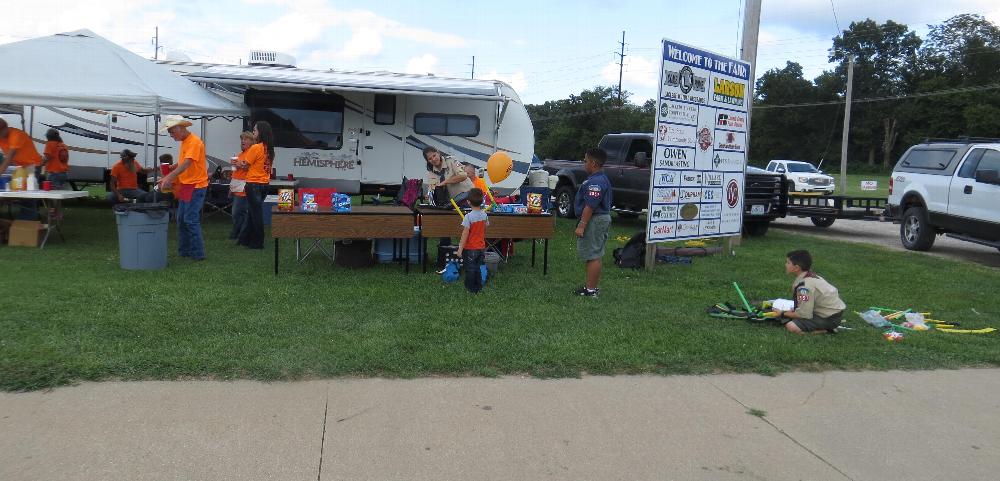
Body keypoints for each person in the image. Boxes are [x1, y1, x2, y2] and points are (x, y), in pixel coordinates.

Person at [157, 115, 209, 261]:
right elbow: (183, 163)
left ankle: (198, 254)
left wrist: (169, 177)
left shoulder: (194, 142)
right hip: (188, 185)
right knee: (181, 219)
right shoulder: (185, 142)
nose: (171, 135)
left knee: (190, 219)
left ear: (179, 128)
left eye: (172, 132)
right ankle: (184, 251)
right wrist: (172, 169)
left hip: (196, 186)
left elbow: (187, 163)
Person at [772, 250, 847, 335]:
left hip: (828, 318)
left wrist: (782, 313)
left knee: (791, 326)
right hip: (831, 313)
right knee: (792, 315)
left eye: (788, 263)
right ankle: (827, 326)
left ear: (796, 268)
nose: (785, 265)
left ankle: (826, 330)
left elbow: (804, 314)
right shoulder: (809, 275)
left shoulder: (804, 287)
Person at [573, 148, 612, 298]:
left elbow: (590, 205)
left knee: (593, 254)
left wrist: (582, 225)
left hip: (595, 220)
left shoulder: (596, 182)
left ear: (593, 163)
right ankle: (591, 287)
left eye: (585, 161)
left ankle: (590, 290)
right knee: (594, 254)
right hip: (598, 218)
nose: (584, 163)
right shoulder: (600, 178)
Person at [238, 121, 274, 250]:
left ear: (261, 132)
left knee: (256, 214)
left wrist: (237, 163)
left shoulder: (256, 147)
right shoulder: (269, 148)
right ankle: (245, 239)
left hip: (253, 184)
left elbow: (245, 164)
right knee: (252, 213)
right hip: (265, 184)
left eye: (255, 130)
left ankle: (258, 242)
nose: (253, 132)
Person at [0, 118, 43, 219]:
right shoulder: (2, 136)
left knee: (28, 195)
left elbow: (9, 158)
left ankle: (28, 222)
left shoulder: (16, 135)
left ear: (4, 129)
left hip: (32, 166)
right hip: (20, 166)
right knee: (19, 191)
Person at [457, 188, 489, 294]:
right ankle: (478, 287)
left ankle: (471, 289)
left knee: (470, 270)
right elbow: (486, 227)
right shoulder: (484, 215)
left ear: (468, 202)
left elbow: (464, 234)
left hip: (470, 249)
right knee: (478, 268)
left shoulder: (468, 217)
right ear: (482, 201)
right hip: (481, 248)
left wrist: (460, 250)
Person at [229, 131, 254, 240]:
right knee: (238, 212)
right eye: (242, 139)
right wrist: (231, 188)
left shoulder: (251, 153)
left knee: (238, 212)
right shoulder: (240, 154)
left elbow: (249, 168)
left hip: (244, 187)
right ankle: (239, 234)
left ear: (252, 141)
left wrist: (238, 164)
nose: (243, 141)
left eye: (246, 139)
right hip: (236, 186)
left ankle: (239, 234)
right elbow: (236, 172)